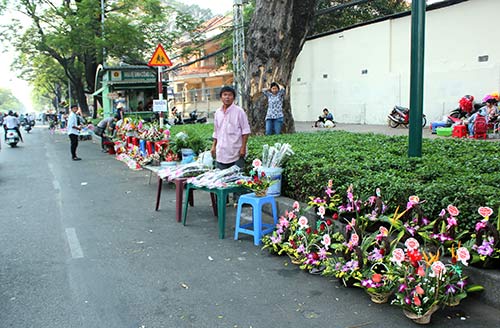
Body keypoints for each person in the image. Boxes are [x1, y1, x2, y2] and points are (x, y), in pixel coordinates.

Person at [211, 86, 251, 170]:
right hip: (221, 153)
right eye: (225, 95)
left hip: (235, 153)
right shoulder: (218, 112)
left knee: (236, 179)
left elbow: (245, 131)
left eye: (230, 95)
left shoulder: (239, 111)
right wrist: (213, 146)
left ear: (233, 97)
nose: (227, 97)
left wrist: (243, 148)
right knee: (221, 181)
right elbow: (216, 131)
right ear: (221, 97)